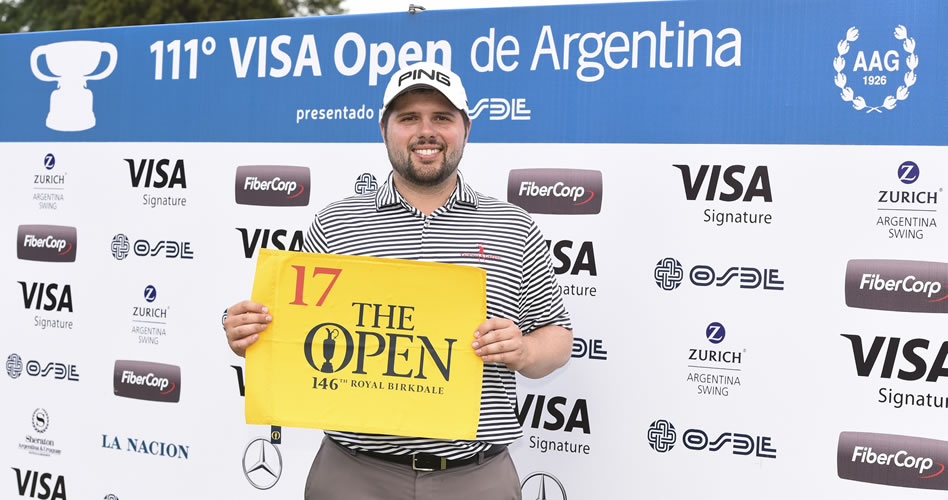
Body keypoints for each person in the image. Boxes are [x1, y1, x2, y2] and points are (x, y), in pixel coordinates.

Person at [224, 61, 572, 500]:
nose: (426, 131)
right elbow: (284, 329)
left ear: (465, 128)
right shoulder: (336, 224)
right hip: (352, 475)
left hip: (476, 477)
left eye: (441, 118)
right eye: (409, 118)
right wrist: (246, 329)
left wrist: (524, 350)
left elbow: (557, 337)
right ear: (384, 129)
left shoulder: (513, 227)